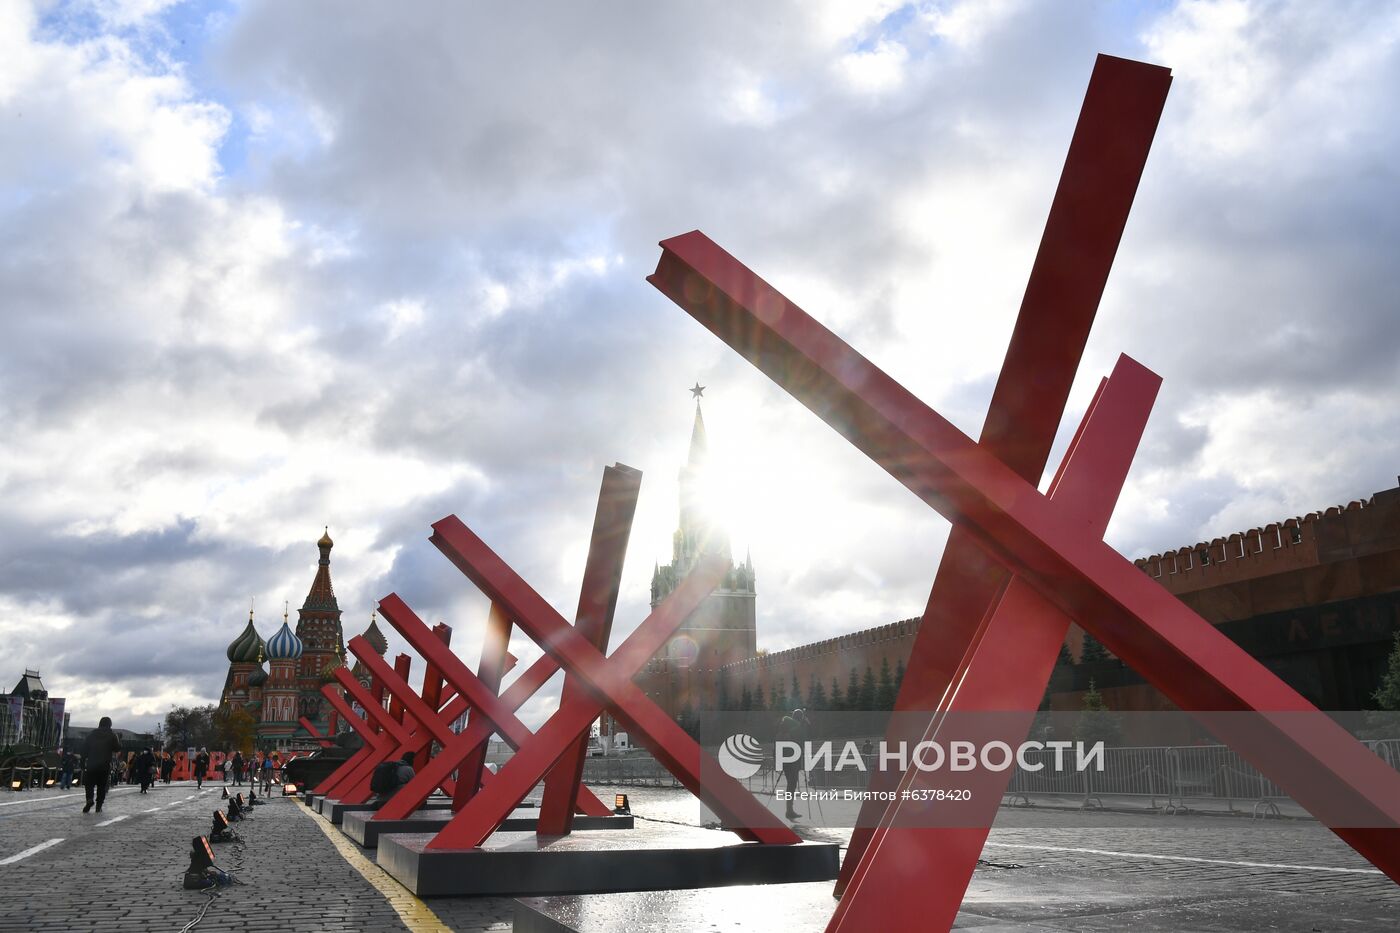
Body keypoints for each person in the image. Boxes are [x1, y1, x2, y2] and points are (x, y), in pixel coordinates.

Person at [81, 717, 123, 813]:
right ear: (110, 724)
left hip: (92, 763)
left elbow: (84, 748)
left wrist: (82, 762)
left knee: (89, 784)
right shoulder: (112, 735)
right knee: (102, 786)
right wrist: (119, 740)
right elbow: (117, 748)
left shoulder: (92, 734)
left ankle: (89, 799)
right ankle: (99, 806)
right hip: (104, 765)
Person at [777, 707, 810, 820]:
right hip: (793, 758)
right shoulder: (797, 727)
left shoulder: (785, 726)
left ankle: (789, 810)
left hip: (785, 757)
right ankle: (789, 810)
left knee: (790, 783)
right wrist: (804, 725)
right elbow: (803, 739)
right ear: (800, 718)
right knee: (792, 783)